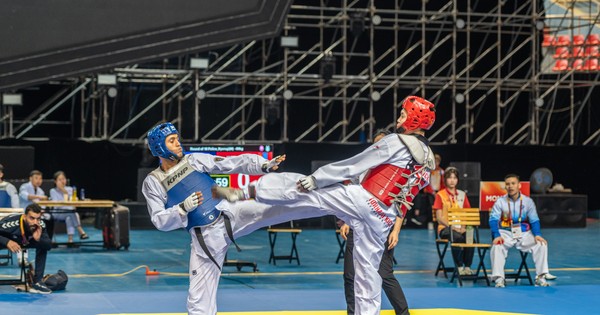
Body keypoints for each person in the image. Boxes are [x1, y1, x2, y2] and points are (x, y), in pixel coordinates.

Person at [215, 96, 436, 315]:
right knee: (368, 276)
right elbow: (407, 195)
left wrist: (318, 178)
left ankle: (248, 191)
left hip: (364, 200)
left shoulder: (397, 142)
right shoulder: (428, 159)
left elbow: (354, 165)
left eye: (404, 114)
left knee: (307, 192)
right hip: (384, 217)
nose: (399, 118)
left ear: (415, 120)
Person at [141, 122, 323, 315]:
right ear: (160, 147)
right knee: (198, 303)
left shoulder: (193, 160)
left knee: (276, 201)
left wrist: (262, 165)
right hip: (206, 239)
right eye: (171, 141)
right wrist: (183, 208)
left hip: (230, 212)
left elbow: (230, 163)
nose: (178, 143)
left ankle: (325, 193)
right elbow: (159, 220)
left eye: (177, 138)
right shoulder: (153, 182)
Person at [339, 129, 409, 315]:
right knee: (350, 275)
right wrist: (347, 220)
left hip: (383, 229)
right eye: (377, 144)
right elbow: (352, 198)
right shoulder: (363, 168)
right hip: (358, 226)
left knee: (384, 274)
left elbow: (402, 203)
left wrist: (396, 231)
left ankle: (403, 313)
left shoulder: (397, 171)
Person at [489, 173, 551, 288]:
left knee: (541, 244)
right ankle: (499, 278)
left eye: (513, 183)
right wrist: (496, 235)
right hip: (506, 232)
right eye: (507, 184)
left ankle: (540, 277)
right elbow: (493, 220)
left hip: (524, 233)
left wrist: (537, 234)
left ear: (519, 185)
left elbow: (534, 220)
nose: (510, 186)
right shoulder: (500, 202)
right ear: (505, 186)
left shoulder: (528, 202)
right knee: (497, 246)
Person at [0, 203, 52, 294]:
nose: (35, 222)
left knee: (42, 244)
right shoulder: (11, 224)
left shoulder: (41, 225)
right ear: (24, 217)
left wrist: (39, 239)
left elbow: (48, 246)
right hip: (7, 240)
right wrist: (6, 241)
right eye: (31, 218)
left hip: (25, 241)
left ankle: (38, 282)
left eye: (38, 218)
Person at [432, 166, 474, 276]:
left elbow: (467, 213)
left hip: (461, 228)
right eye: (449, 178)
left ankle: (468, 267)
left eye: (454, 178)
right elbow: (439, 218)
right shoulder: (440, 195)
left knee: (470, 238)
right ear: (445, 179)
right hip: (445, 229)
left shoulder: (462, 194)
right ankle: (459, 267)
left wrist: (463, 227)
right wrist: (453, 227)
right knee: (457, 237)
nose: (452, 180)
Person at [49, 171, 88, 243]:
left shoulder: (70, 189)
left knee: (70, 216)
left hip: (68, 212)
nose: (62, 181)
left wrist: (64, 191)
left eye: (63, 179)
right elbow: (56, 204)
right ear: (55, 181)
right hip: (57, 213)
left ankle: (70, 240)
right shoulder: (53, 191)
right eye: (60, 180)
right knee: (72, 212)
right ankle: (80, 230)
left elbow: (73, 201)